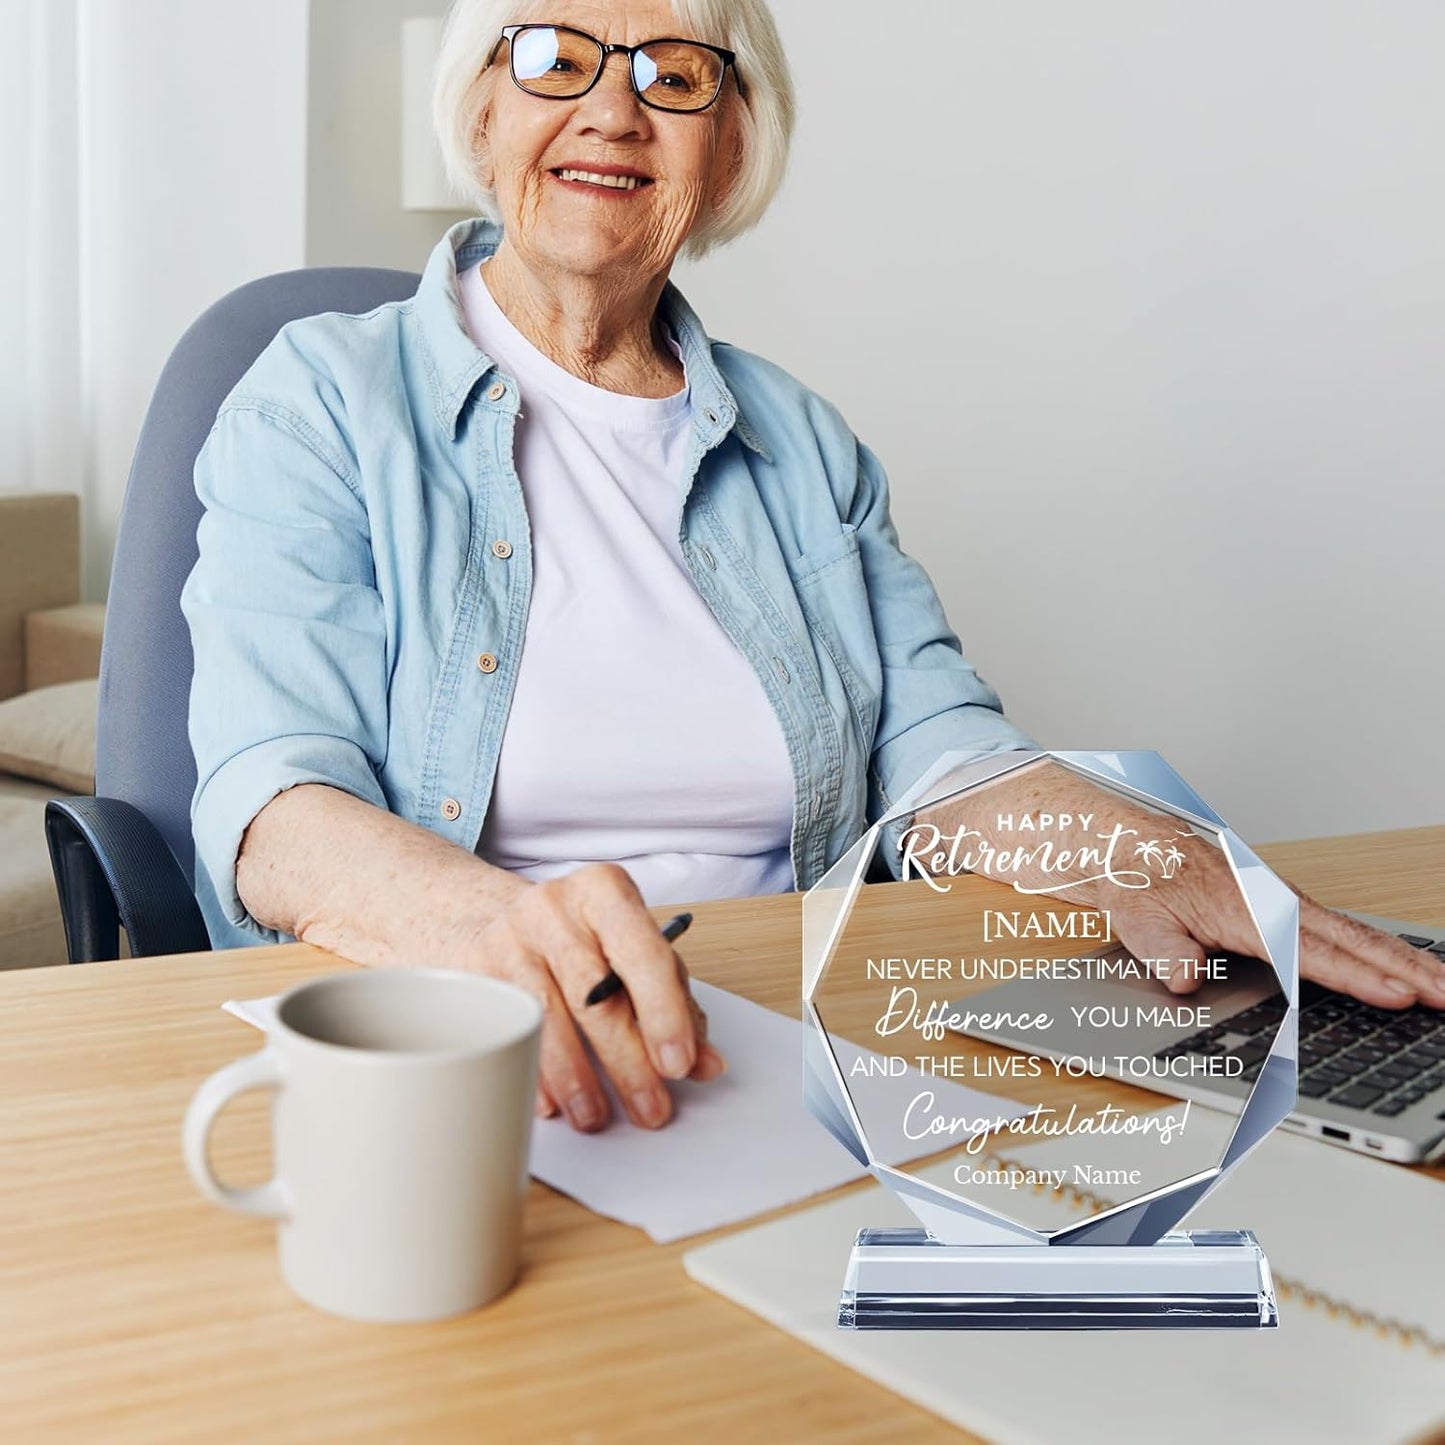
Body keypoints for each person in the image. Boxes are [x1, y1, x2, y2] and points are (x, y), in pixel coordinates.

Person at [180, 0, 1445, 1136]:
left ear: (729, 144)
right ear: (481, 107)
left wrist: (1132, 850)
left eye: (675, 74)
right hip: (469, 1055)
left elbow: (932, 738)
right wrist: (484, 927)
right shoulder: (318, 402)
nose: (611, 110)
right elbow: (271, 803)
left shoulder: (801, 440)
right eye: (554, 60)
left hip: (799, 1047)